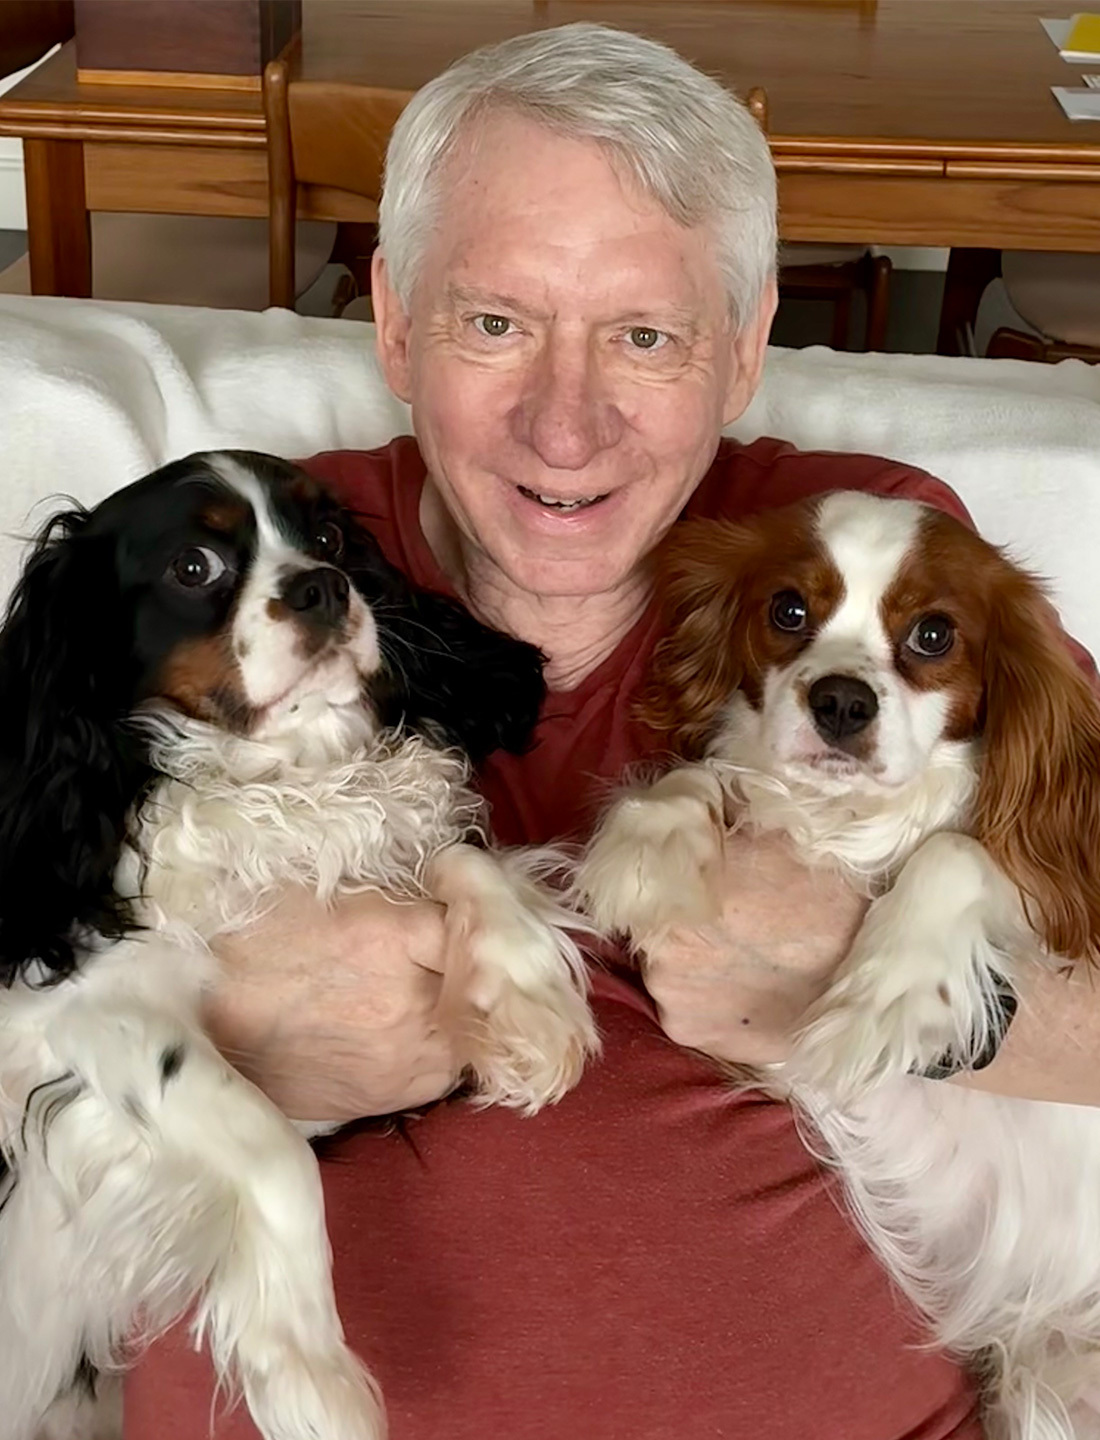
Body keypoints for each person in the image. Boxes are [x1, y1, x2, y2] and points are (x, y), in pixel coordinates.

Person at [123, 23, 1096, 1440]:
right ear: (394, 321)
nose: (564, 427)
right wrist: (219, 1031)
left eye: (644, 337)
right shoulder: (225, 565)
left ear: (747, 348)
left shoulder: (877, 559)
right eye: (497, 323)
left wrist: (901, 993)